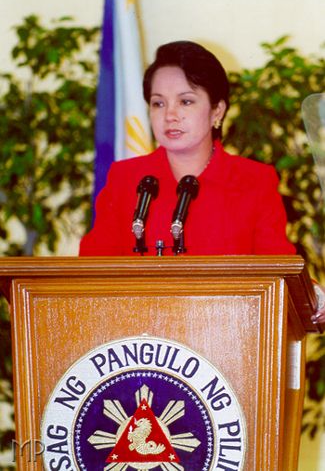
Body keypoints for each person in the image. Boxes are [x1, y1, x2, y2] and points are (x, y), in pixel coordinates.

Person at [79, 40, 325, 324]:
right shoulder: (126, 179)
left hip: (229, 343)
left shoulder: (254, 182)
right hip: (138, 345)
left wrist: (311, 296)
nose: (170, 115)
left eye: (186, 101)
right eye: (158, 103)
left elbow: (280, 271)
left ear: (217, 111)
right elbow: (90, 271)